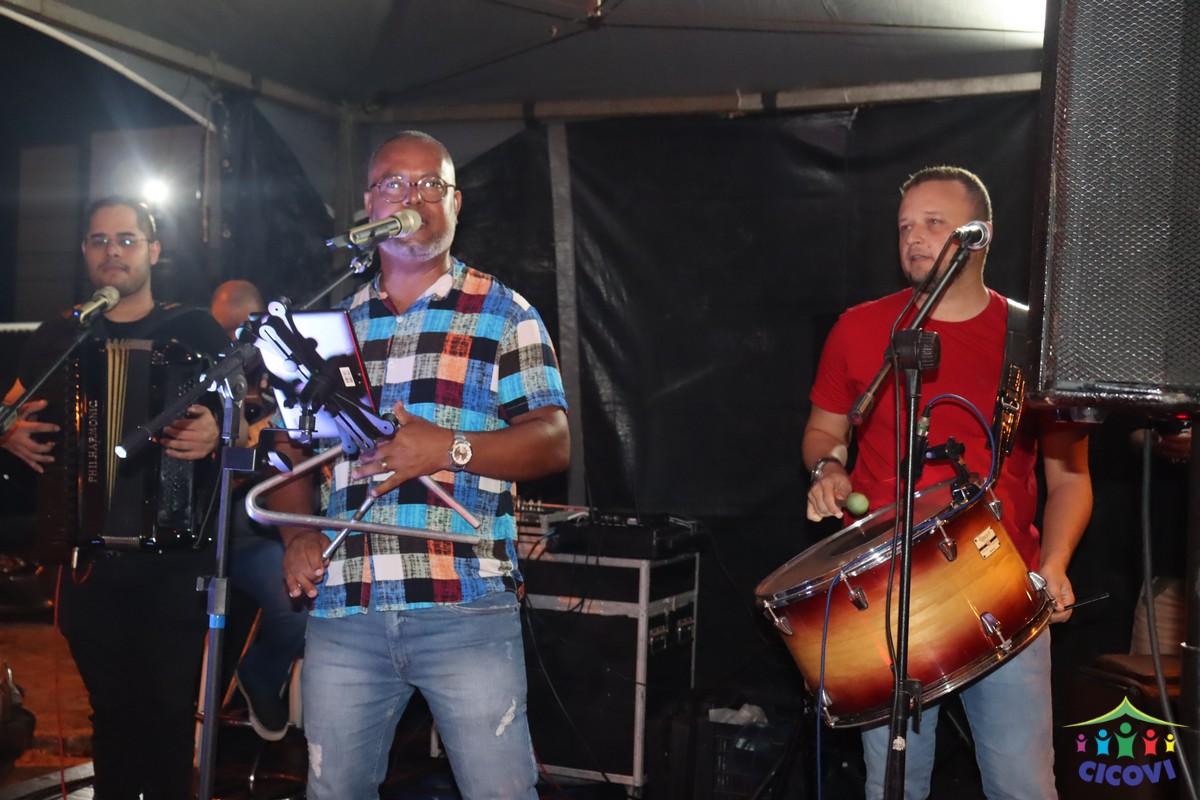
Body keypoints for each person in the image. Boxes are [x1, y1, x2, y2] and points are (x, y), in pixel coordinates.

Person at [265, 130, 570, 800]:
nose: (414, 197)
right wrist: (296, 536)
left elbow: (552, 441)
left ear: (455, 203)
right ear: (371, 205)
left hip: (465, 602)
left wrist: (447, 447)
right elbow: (290, 452)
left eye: (431, 184)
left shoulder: (504, 312)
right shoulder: (330, 327)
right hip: (346, 605)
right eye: (395, 184)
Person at [803, 166, 1093, 799]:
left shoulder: (1034, 339)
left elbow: (1070, 477)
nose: (914, 237)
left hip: (1004, 587)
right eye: (905, 225)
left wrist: (1056, 565)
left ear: (980, 235)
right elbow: (824, 432)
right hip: (889, 591)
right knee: (894, 784)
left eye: (934, 223)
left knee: (1022, 786)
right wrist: (829, 468)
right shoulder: (860, 329)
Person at [3, 195, 230, 799]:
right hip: (86, 559)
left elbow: (255, 413)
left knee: (167, 710)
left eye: (127, 239)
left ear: (153, 250)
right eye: (100, 240)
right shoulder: (60, 335)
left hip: (176, 557)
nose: (113, 251)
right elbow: (11, 406)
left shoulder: (194, 329)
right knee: (111, 711)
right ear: (84, 251)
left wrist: (219, 430)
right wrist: (7, 429)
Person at [209, 279, 308, 741]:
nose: (234, 343)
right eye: (224, 332)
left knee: (309, 601)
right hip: (219, 536)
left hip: (270, 528)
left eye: (242, 331)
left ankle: (265, 675)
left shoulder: (284, 381)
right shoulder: (199, 381)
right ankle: (258, 678)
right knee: (296, 606)